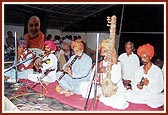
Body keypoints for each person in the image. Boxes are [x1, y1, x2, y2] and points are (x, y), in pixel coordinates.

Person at [80, 39, 129, 110]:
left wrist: (113, 62)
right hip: (101, 88)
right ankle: (101, 96)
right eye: (101, 51)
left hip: (114, 90)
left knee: (121, 101)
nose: (102, 54)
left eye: (105, 51)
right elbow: (91, 79)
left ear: (110, 52)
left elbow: (115, 80)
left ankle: (101, 98)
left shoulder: (117, 63)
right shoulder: (100, 63)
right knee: (83, 86)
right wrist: (98, 71)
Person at [124, 43, 164, 108]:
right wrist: (138, 86)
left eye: (145, 57)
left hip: (152, 95)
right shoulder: (138, 70)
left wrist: (148, 84)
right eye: (141, 58)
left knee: (162, 98)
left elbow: (160, 88)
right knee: (126, 94)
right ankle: (144, 101)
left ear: (150, 57)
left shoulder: (157, 71)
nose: (142, 60)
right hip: (139, 94)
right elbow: (134, 83)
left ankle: (145, 101)